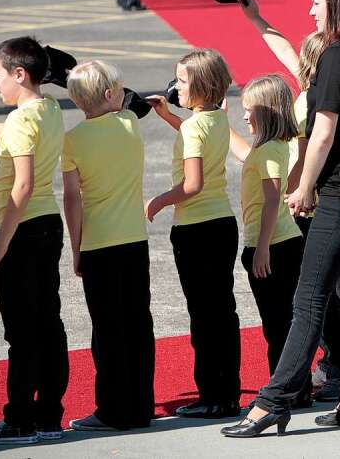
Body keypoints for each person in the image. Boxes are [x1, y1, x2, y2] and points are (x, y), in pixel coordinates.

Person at [223, 0, 340, 437]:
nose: (310, 10)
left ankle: (274, 401)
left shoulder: (337, 56)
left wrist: (305, 187)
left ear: (336, 5)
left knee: (309, 296)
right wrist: (258, 22)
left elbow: (323, 133)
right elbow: (299, 62)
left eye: (317, 3)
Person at [239, 0, 340, 401]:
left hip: (311, 204)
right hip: (310, 201)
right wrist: (257, 18)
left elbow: (306, 152)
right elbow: (287, 48)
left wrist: (294, 190)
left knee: (327, 291)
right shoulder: (313, 88)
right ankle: (333, 363)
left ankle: (338, 365)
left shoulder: (313, 99)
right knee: (328, 290)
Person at [0, 37, 67, 445]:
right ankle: (48, 416)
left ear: (19, 75)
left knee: (21, 332)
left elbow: (21, 185)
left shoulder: (22, 120)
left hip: (20, 229)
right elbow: (11, 134)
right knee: (48, 324)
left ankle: (19, 419)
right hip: (46, 225)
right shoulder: (48, 109)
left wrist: (0, 244)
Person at [145, 49, 241, 419]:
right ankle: (226, 393)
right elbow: (195, 139)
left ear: (200, 86)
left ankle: (211, 395)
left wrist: (160, 200)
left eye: (182, 81)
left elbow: (192, 184)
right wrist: (170, 116)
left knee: (203, 317)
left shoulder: (194, 127)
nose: (175, 87)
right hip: (222, 223)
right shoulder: (216, 117)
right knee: (223, 312)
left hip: (196, 229)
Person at [61, 61, 155, 432]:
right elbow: (131, 101)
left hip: (98, 243)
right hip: (134, 240)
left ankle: (113, 408)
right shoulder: (129, 123)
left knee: (108, 330)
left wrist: (76, 247)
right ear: (109, 94)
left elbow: (72, 198)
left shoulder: (73, 140)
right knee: (138, 325)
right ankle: (140, 405)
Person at [228, 75, 309, 393]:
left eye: (249, 110)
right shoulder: (269, 148)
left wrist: (261, 248)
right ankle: (294, 388)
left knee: (278, 326)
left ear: (268, 112)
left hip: (273, 246)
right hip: (278, 243)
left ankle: (285, 390)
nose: (245, 115)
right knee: (282, 324)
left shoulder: (269, 151)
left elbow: (274, 197)